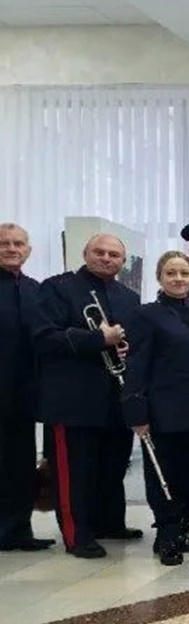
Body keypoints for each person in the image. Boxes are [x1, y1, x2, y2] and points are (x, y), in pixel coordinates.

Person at [32, 234, 141, 558]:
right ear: (85, 253)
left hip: (115, 398)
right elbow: (43, 337)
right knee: (74, 471)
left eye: (114, 254)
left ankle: (110, 522)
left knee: (113, 465)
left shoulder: (128, 297)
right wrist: (97, 339)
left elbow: (133, 339)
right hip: (72, 399)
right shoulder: (57, 288)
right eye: (99, 252)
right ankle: (77, 535)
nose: (106, 258)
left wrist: (128, 348)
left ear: (123, 261)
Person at [120, 251, 189, 565]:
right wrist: (136, 411)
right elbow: (136, 365)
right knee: (162, 473)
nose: (178, 279)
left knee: (188, 472)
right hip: (161, 409)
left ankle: (183, 524)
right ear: (160, 278)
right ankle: (166, 534)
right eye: (171, 273)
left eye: (184, 273)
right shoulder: (146, 315)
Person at [0, 223, 53, 552]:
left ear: (28, 251)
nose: (11, 249)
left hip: (25, 394)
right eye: (4, 243)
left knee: (20, 465)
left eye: (18, 244)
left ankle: (19, 530)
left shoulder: (37, 290)